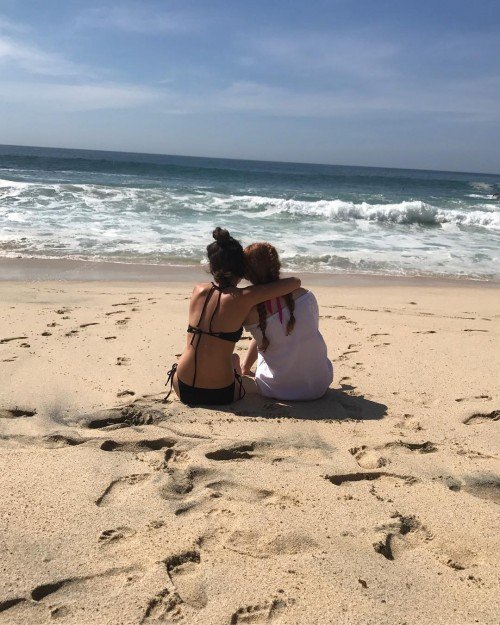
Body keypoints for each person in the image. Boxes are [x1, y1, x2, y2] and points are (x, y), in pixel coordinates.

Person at [166, 228, 301, 405]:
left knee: (219, 355)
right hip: (220, 393)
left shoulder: (198, 290)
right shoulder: (244, 297)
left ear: (212, 267)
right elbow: (294, 282)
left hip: (182, 386)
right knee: (234, 359)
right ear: (241, 269)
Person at [241, 242, 333, 400]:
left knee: (264, 331)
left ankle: (244, 368)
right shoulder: (307, 296)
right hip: (320, 383)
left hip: (278, 388)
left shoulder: (251, 312)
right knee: (271, 331)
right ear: (276, 265)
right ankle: (245, 367)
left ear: (247, 274)